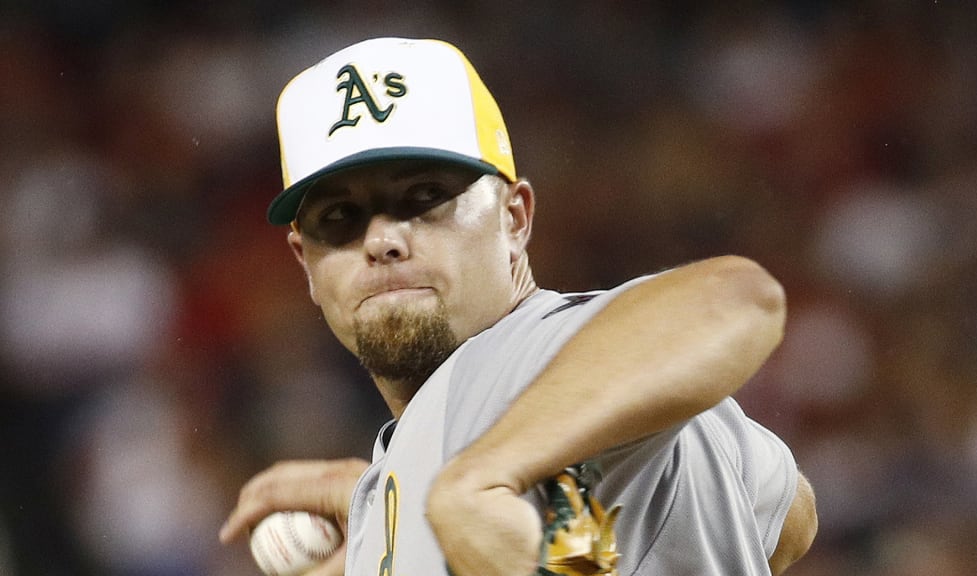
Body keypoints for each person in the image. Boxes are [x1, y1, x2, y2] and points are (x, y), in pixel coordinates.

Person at [219, 37, 817, 576]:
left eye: (424, 197)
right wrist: (403, 501)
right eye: (339, 219)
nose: (382, 240)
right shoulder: (557, 415)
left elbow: (735, 298)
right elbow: (790, 517)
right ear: (305, 262)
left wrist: (481, 476)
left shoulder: (528, 355)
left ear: (514, 218)